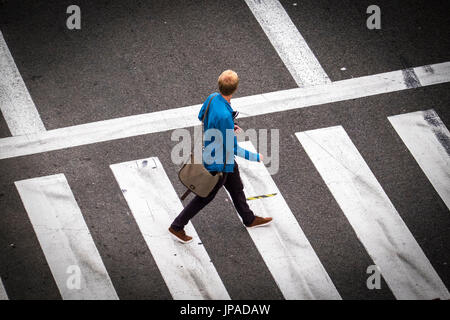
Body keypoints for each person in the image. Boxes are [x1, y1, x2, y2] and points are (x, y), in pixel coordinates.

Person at [169, 70, 273, 243]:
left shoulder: (212, 98)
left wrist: (229, 126)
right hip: (220, 161)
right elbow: (233, 148)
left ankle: (249, 218)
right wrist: (256, 157)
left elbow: (201, 115)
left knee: (236, 187)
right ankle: (177, 226)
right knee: (205, 197)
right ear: (235, 88)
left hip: (218, 154)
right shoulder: (225, 116)